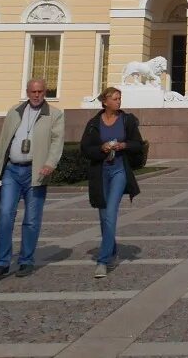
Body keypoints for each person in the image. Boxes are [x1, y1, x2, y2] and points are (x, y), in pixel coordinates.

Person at [0, 78, 65, 280]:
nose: (37, 95)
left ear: (45, 92)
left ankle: (26, 261)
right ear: (27, 92)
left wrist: (50, 163)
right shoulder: (15, 111)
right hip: (13, 170)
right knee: (5, 215)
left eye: (40, 91)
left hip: (35, 171)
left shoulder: (54, 114)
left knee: (31, 219)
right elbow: (4, 140)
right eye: (33, 91)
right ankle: (2, 262)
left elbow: (57, 142)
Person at [79, 87, 144, 278]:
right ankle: (113, 250)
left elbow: (138, 144)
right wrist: (101, 147)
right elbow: (85, 148)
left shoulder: (127, 120)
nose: (118, 101)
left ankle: (103, 260)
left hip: (119, 170)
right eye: (115, 99)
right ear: (105, 102)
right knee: (103, 214)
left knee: (111, 212)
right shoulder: (94, 123)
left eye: (119, 98)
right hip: (101, 172)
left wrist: (124, 145)